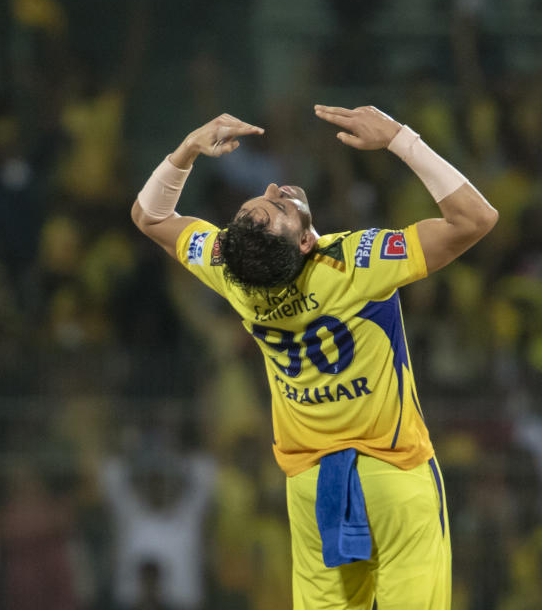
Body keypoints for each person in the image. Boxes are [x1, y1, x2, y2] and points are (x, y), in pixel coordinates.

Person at [131, 105, 498, 609]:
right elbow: (477, 218)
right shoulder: (355, 262)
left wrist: (186, 150)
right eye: (276, 208)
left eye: (261, 202)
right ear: (305, 241)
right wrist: (399, 138)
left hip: (312, 488)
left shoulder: (231, 273)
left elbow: (150, 216)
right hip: (394, 474)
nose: (273, 190)